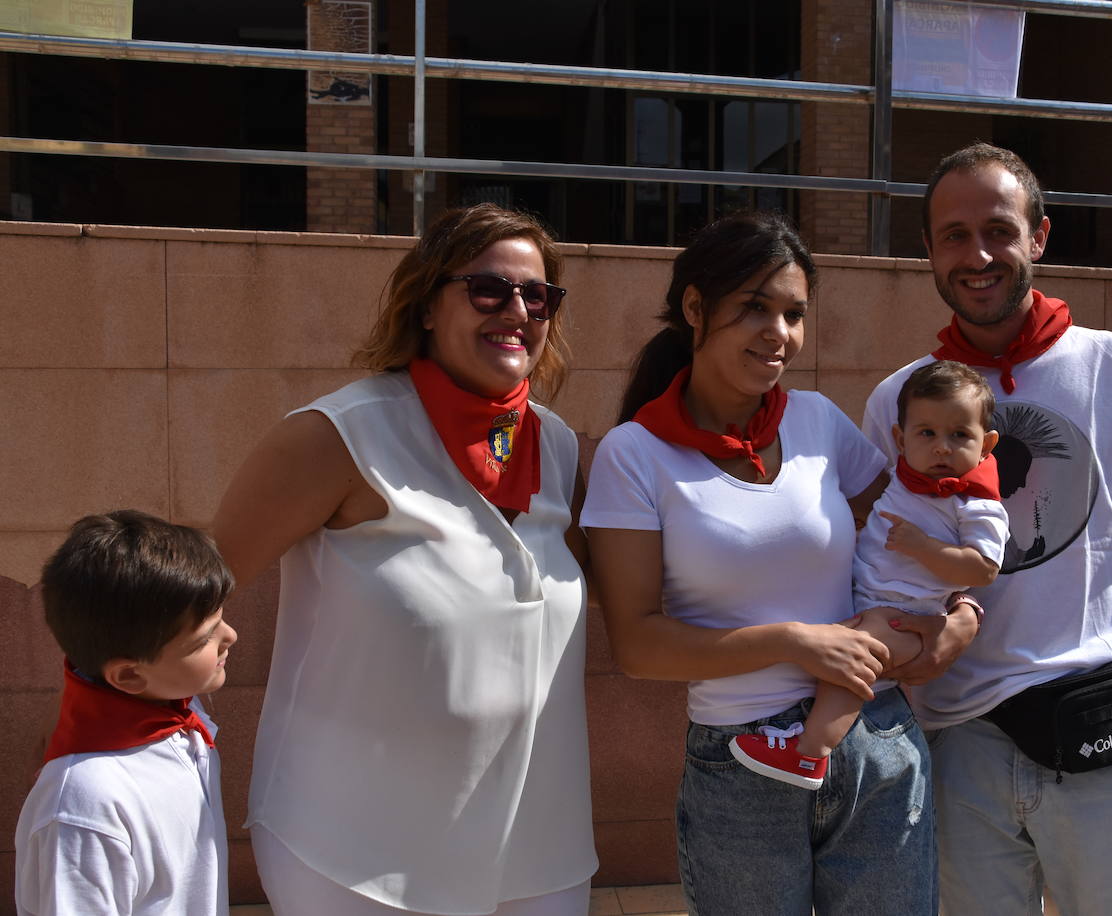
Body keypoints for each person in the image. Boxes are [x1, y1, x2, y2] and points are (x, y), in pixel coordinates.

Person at [862, 143, 1112, 915]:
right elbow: (873, 559)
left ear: (1040, 236)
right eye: (953, 234)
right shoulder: (896, 401)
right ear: (927, 251)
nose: (978, 254)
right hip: (952, 745)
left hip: (1101, 736)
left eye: (999, 228)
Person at [582, 211, 973, 915]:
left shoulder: (819, 420)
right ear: (695, 308)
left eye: (794, 314)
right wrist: (797, 641)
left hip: (877, 738)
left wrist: (964, 611)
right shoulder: (634, 456)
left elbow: (924, 521)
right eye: (755, 308)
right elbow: (638, 646)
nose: (780, 334)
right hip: (743, 762)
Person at [212, 204, 596, 915]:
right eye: (489, 289)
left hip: (539, 853)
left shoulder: (558, 445)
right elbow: (194, 591)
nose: (516, 310)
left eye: (536, 295)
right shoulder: (339, 436)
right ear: (425, 304)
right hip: (356, 856)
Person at [728, 360, 1008, 789]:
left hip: (904, 615)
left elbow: (983, 568)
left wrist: (924, 548)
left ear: (986, 444)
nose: (941, 448)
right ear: (899, 439)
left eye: (959, 435)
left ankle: (808, 753)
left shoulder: (976, 503)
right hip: (876, 602)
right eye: (926, 433)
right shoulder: (903, 479)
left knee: (851, 661)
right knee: (841, 657)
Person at [14, 510, 237, 916]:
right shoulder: (85, 802)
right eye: (205, 638)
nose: (231, 637)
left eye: (222, 619)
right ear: (130, 674)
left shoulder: (179, 712)